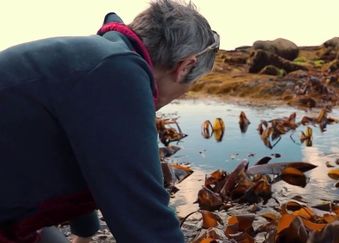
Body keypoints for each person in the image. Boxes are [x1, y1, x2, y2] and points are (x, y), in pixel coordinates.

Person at [0, 0, 218, 242]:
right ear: (186, 66)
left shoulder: (101, 61)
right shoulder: (118, 73)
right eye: (189, 87)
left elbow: (79, 152)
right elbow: (146, 219)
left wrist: (85, 234)